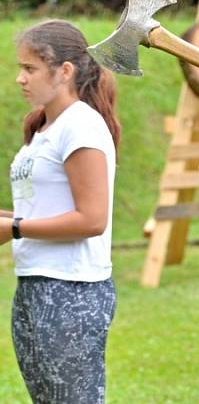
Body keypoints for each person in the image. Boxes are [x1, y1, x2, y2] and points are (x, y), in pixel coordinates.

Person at [1, 20, 120, 403]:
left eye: (30, 69)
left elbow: (92, 219)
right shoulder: (42, 129)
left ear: (64, 71)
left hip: (73, 290)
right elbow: (44, 209)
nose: (21, 79)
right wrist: (9, 219)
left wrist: (15, 228)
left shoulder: (81, 126)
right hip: (35, 284)